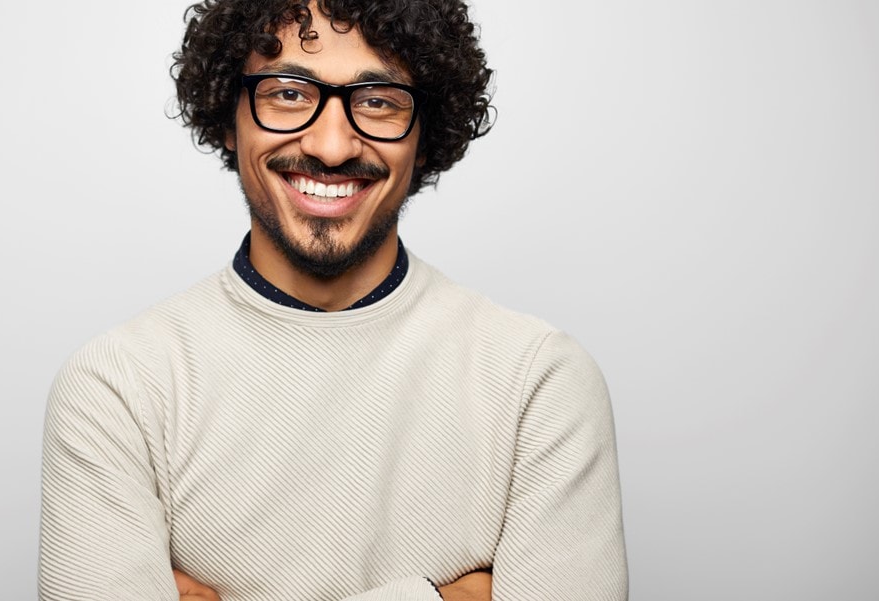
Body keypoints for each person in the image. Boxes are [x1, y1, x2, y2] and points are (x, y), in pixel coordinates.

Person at [38, 0, 628, 599]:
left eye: (377, 101)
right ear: (228, 117)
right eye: (289, 92)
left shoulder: (539, 381)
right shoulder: (117, 386)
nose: (332, 146)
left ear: (425, 137)